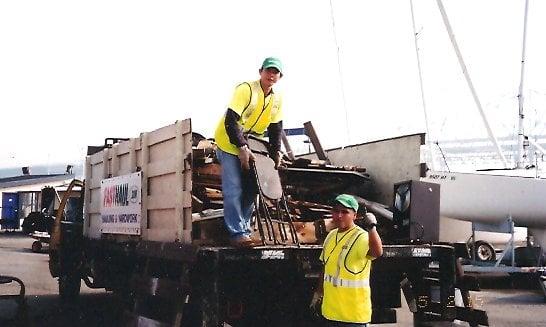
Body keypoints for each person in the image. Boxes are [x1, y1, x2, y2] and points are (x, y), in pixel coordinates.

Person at [214, 57, 284, 248]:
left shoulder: (277, 98)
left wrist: (276, 151)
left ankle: (244, 229)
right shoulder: (245, 89)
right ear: (260, 71)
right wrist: (241, 147)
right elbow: (231, 120)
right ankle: (237, 233)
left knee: (253, 189)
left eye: (275, 72)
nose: (271, 75)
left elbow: (276, 127)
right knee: (234, 188)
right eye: (268, 70)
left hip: (254, 145)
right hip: (229, 142)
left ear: (280, 76)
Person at [311, 194, 383, 326]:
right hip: (330, 314)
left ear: (354, 216)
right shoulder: (331, 236)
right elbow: (325, 268)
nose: (339, 216)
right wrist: (318, 293)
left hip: (353, 317)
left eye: (345, 212)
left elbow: (376, 252)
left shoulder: (361, 237)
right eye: (336, 211)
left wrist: (372, 228)